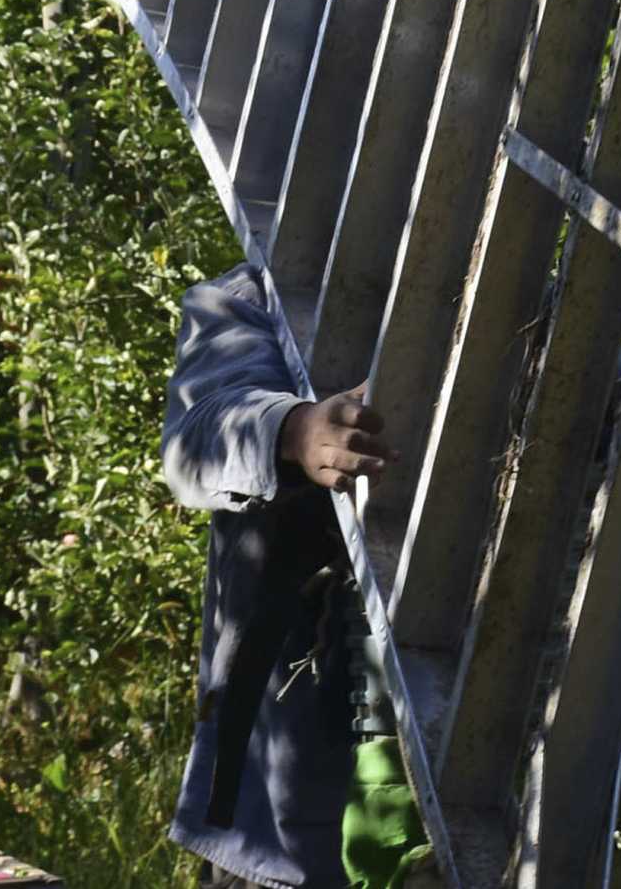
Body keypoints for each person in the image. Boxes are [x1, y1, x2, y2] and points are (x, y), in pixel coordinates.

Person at [162, 262, 428, 889]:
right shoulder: (249, 297)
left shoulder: (498, 301)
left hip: (441, 734)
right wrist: (295, 429)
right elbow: (193, 441)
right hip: (287, 772)